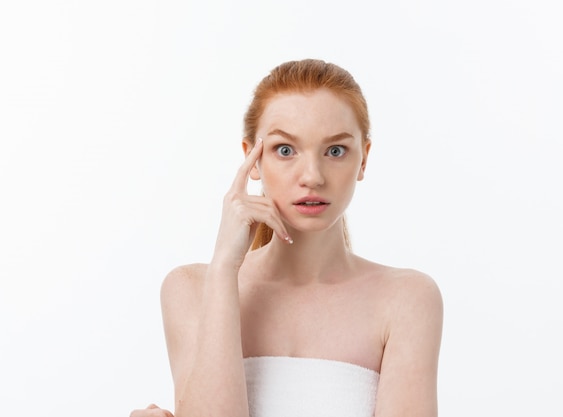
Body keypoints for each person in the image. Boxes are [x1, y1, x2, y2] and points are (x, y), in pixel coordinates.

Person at [130, 59, 443, 417]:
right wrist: (224, 269)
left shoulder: (407, 300)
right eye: (284, 150)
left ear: (363, 160)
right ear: (252, 158)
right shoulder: (192, 289)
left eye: (335, 151)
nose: (312, 176)